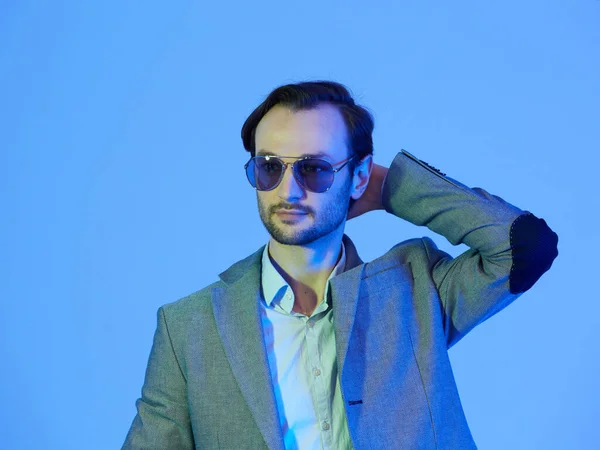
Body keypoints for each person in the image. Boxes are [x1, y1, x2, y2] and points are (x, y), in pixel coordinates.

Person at [122, 80, 558, 449]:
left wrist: (391, 187)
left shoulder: (416, 289)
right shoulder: (189, 329)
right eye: (269, 167)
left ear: (360, 175)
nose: (287, 191)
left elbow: (526, 247)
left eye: (314, 169)